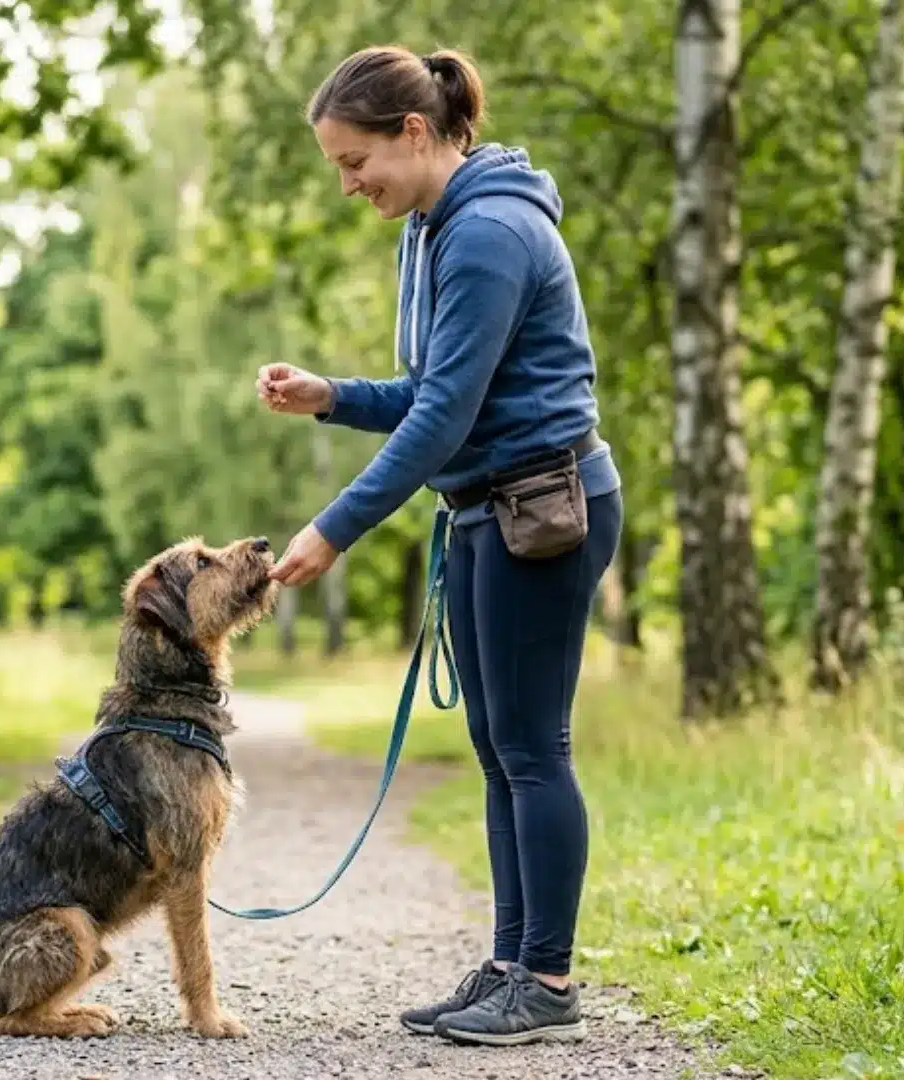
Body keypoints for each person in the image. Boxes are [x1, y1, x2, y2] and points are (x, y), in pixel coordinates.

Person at [256, 43, 623, 1048]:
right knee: (499, 752)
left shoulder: (491, 231)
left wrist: (334, 529)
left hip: (541, 509)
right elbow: (428, 391)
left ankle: (545, 981)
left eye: (353, 160)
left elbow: (446, 418)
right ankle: (512, 963)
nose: (347, 183)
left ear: (413, 132)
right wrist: (333, 396)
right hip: (483, 512)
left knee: (534, 750)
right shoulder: (429, 229)